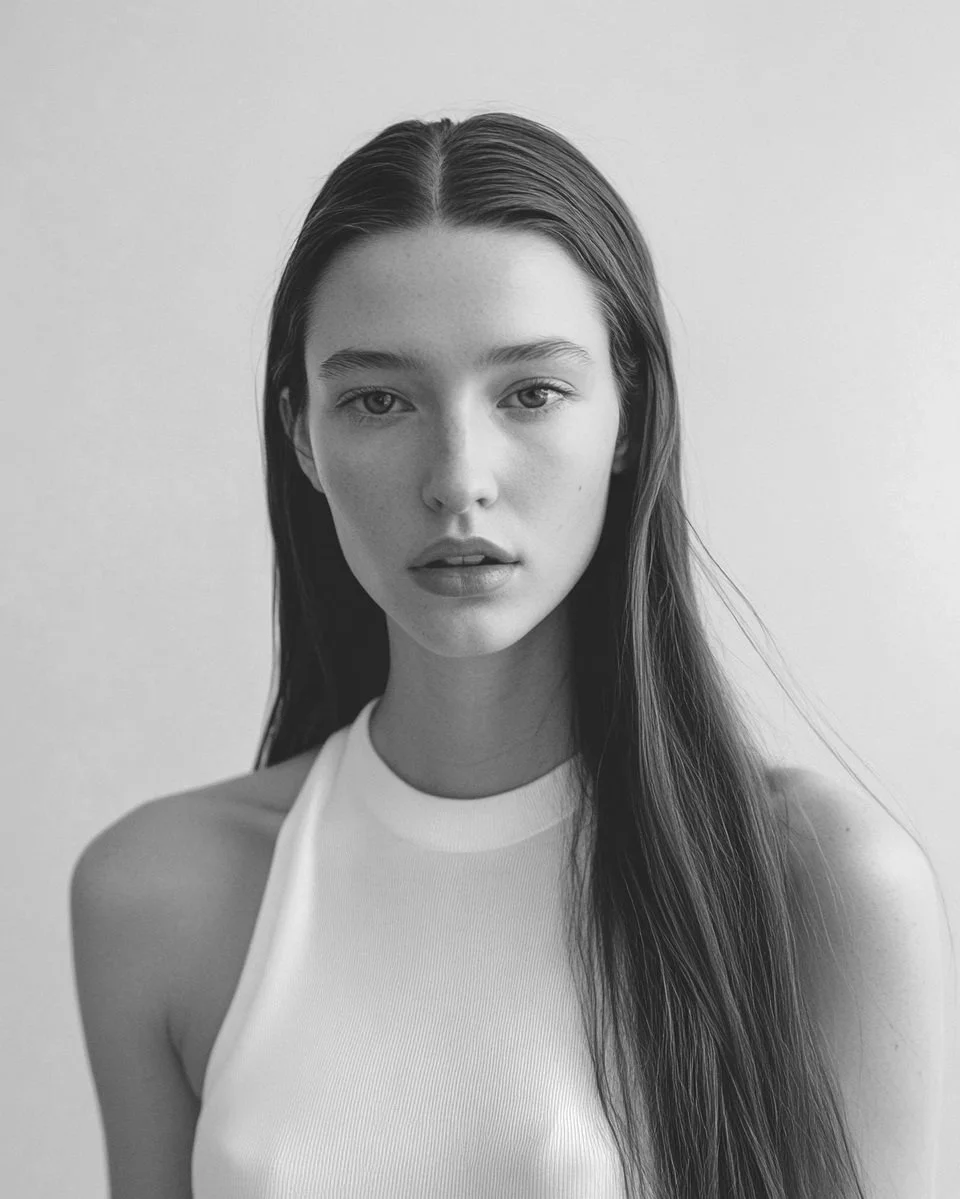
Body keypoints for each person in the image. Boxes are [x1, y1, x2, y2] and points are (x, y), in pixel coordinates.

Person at [69, 113, 947, 1199]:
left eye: (530, 392)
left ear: (629, 414)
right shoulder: (159, 893)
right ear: (304, 434)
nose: (459, 477)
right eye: (379, 400)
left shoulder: (819, 884)